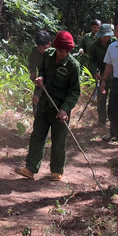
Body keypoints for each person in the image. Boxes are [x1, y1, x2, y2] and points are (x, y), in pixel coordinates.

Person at [15, 31, 81, 181]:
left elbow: (74, 91)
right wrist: (40, 79)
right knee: (37, 136)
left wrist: (65, 109)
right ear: (55, 48)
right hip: (44, 104)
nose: (62, 54)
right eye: (60, 51)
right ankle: (30, 168)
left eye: (66, 52)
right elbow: (42, 70)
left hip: (60, 109)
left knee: (58, 141)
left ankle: (56, 172)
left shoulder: (73, 66)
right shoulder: (47, 55)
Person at [89, 23, 116, 125]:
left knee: (115, 98)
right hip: (101, 75)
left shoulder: (114, 43)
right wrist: (95, 71)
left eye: (108, 35)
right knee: (101, 100)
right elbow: (91, 61)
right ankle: (102, 120)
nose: (107, 38)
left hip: (114, 75)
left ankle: (114, 119)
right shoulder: (94, 46)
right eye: (105, 36)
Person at [28, 29, 53, 113]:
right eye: (40, 48)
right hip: (40, 79)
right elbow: (31, 62)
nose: (42, 50)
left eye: (44, 48)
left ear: (49, 45)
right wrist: (32, 72)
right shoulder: (35, 50)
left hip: (52, 81)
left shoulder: (54, 54)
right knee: (36, 101)